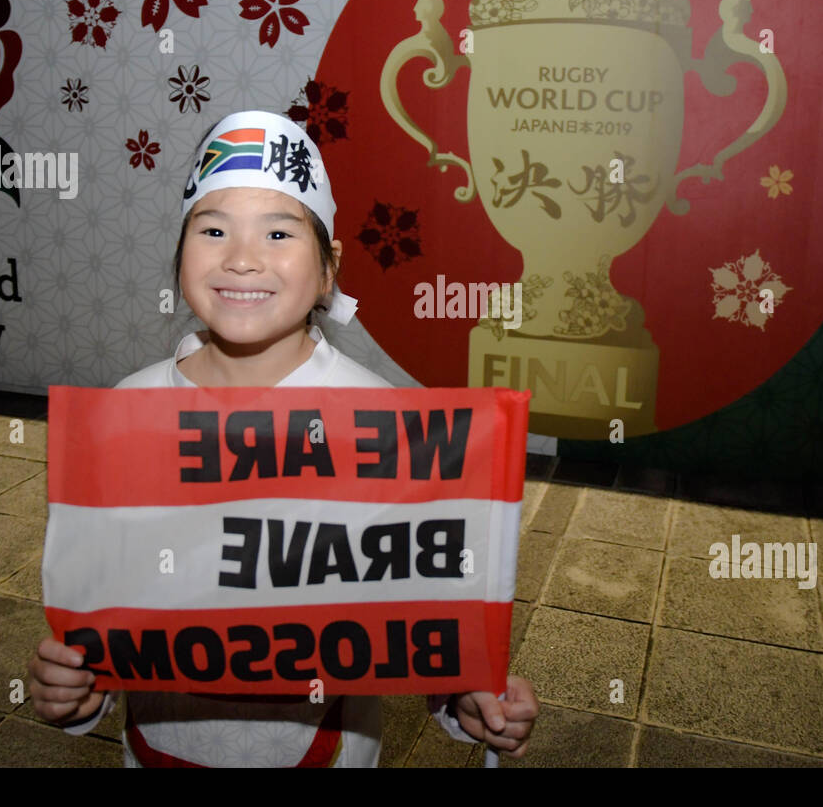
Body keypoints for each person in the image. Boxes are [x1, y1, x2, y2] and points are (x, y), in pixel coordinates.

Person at [28, 110, 538, 766]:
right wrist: (77, 692)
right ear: (180, 255)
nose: (242, 258)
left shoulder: (386, 427)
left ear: (328, 269)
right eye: (212, 230)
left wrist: (467, 701)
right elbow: (108, 619)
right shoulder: (128, 415)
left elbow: (412, 608)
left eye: (277, 232)